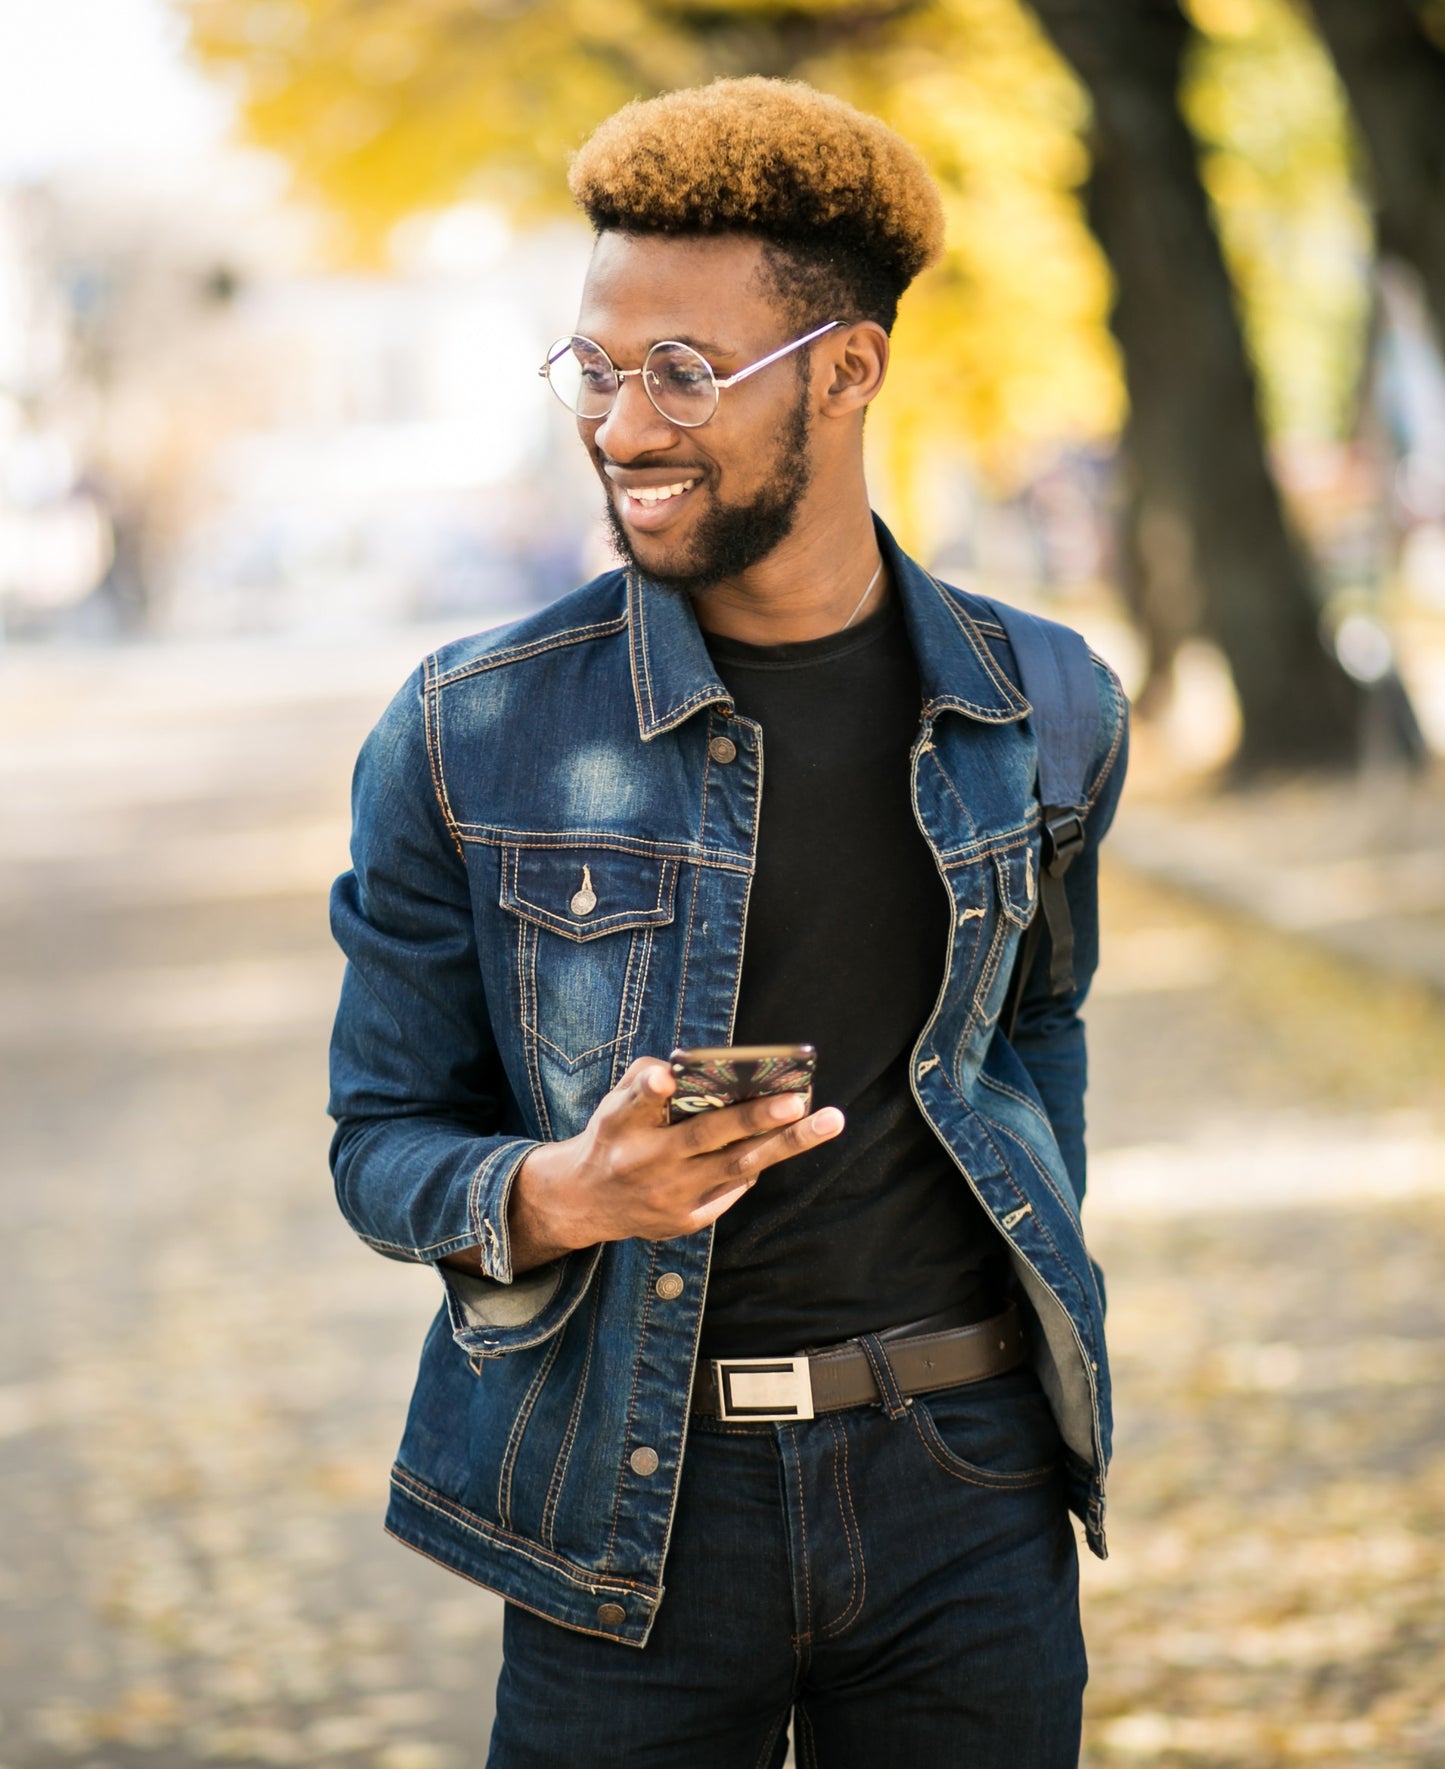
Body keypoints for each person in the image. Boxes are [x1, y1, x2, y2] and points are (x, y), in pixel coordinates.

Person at [328, 75, 1128, 1769]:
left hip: (964, 1493)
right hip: (629, 1507)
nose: (624, 425)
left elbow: (1031, 1026)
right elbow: (380, 1140)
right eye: (597, 368)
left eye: (686, 372)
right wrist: (560, 1190)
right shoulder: (468, 731)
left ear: (847, 370)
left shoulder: (1044, 705)